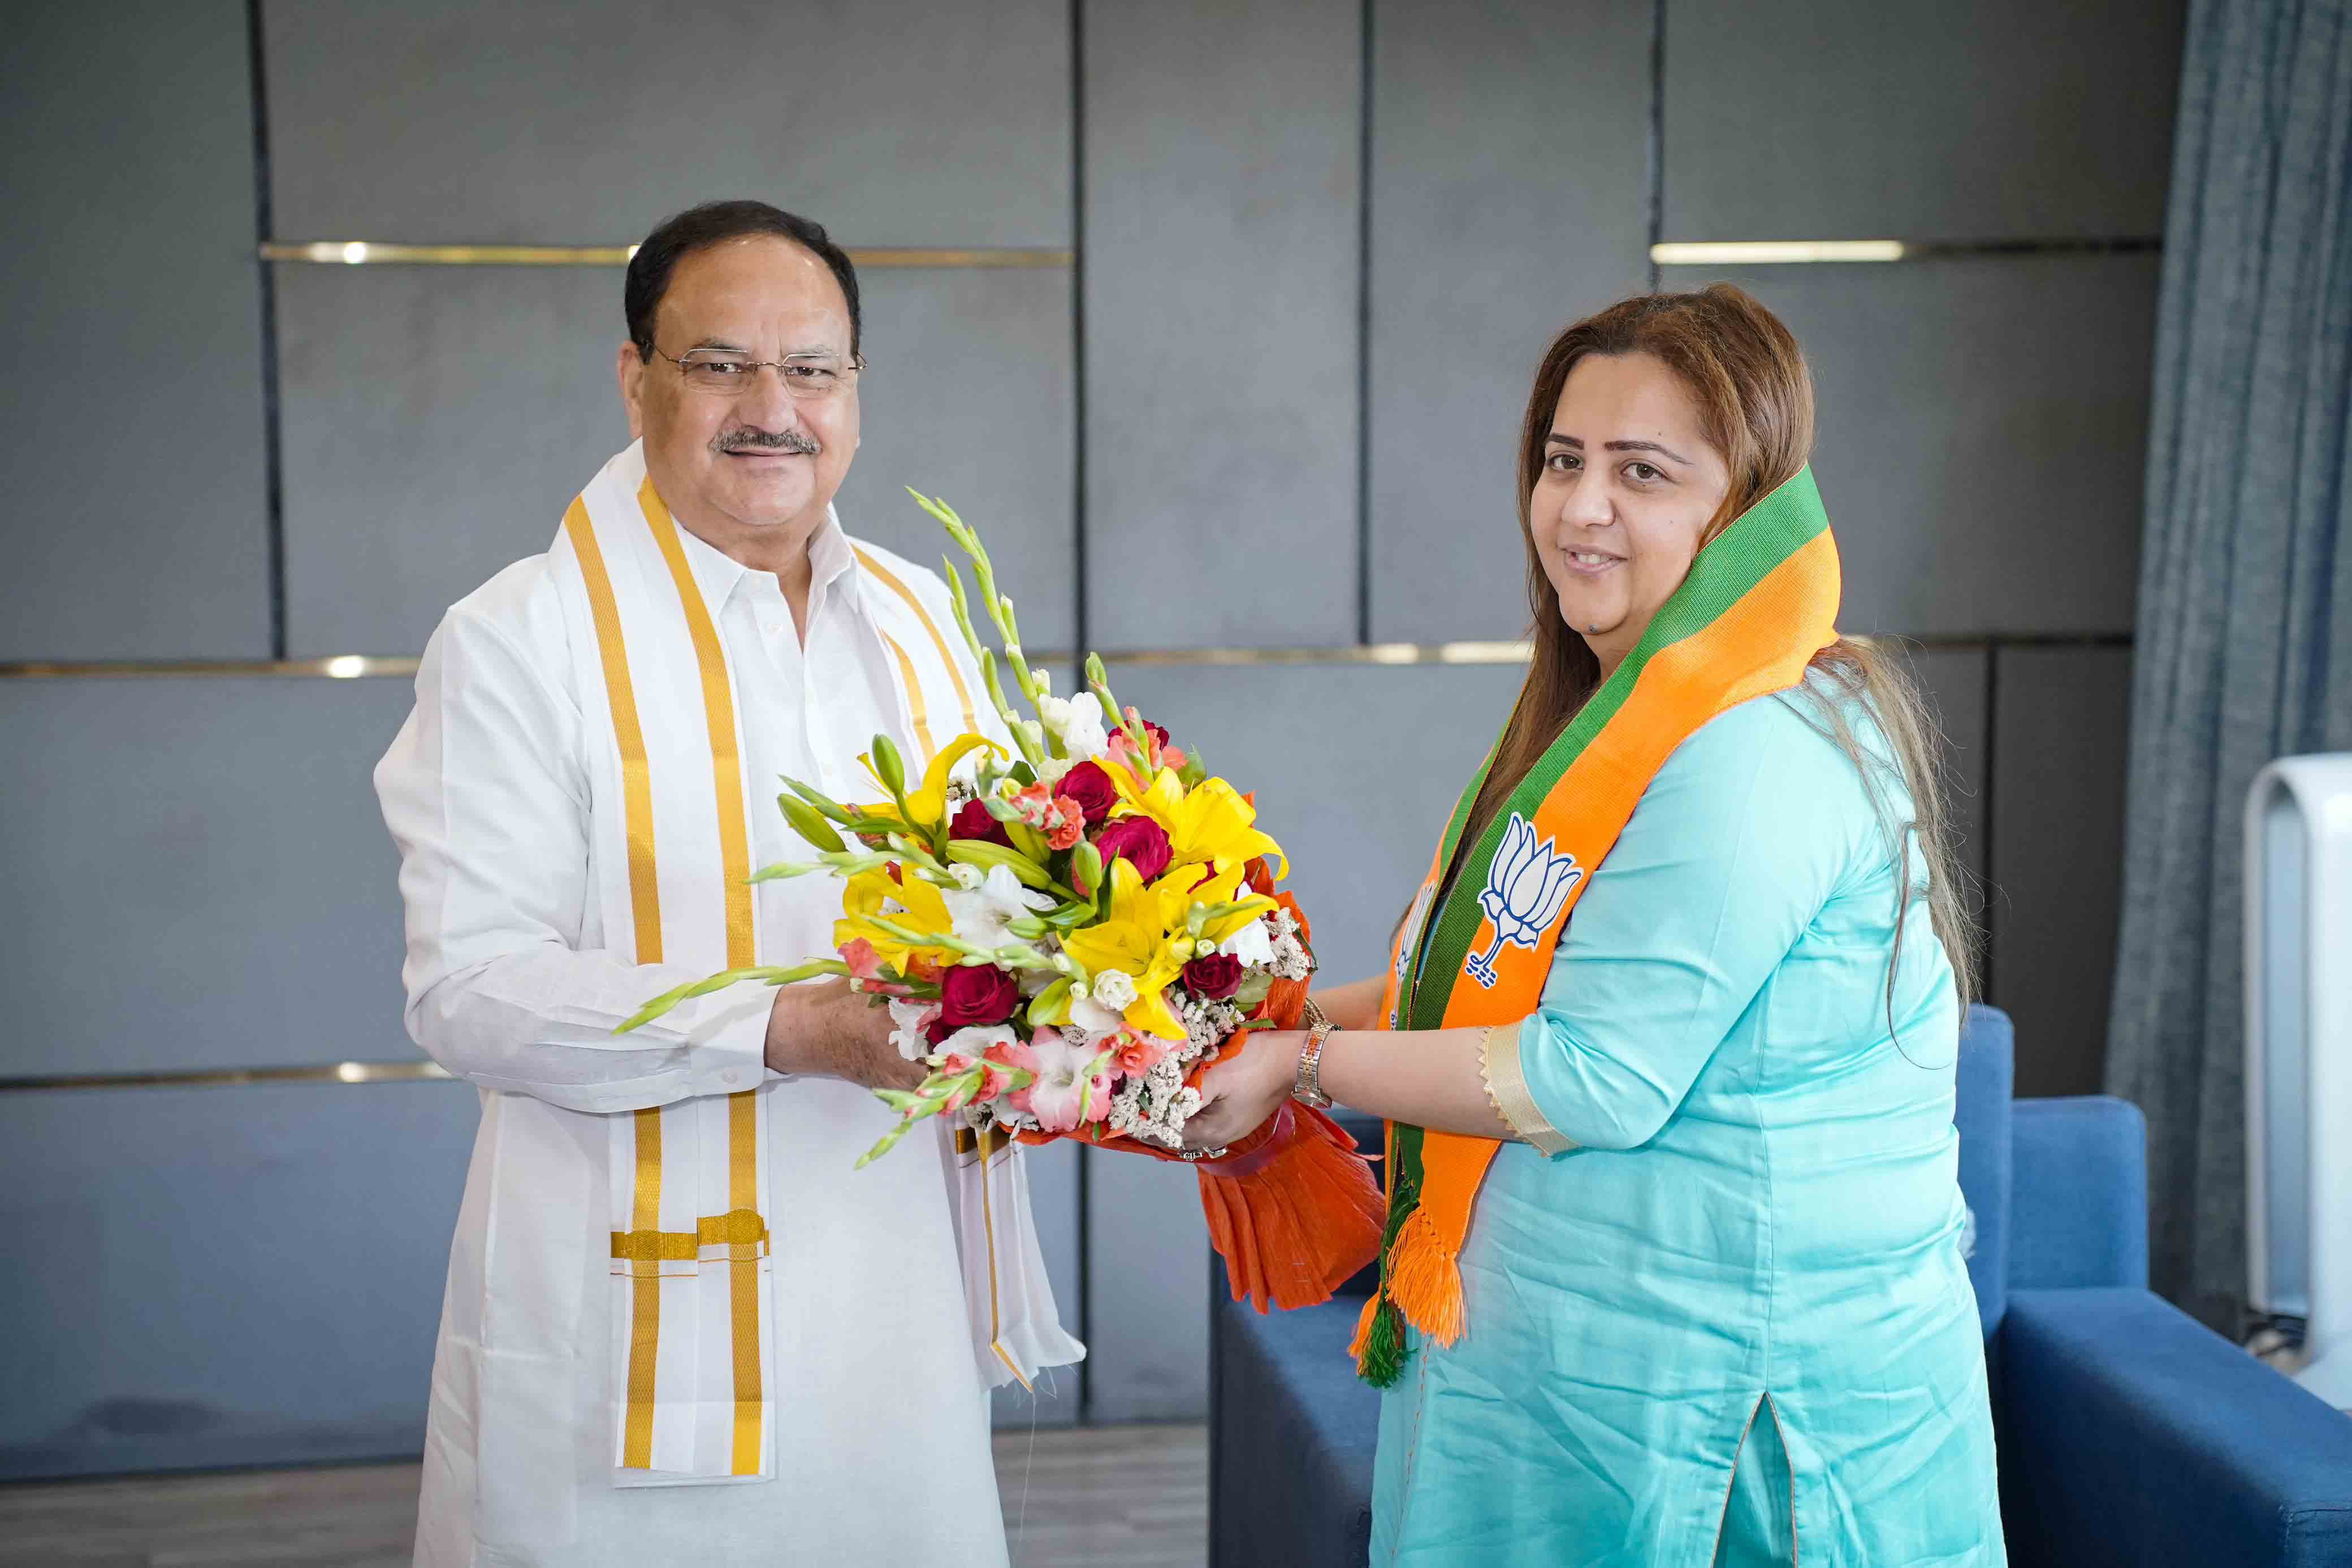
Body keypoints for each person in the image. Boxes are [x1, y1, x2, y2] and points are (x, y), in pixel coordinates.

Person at [1188, 285, 2006, 1566]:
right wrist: (1262, 1011)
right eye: (1564, 461)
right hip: (1575, 1380)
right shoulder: (1624, 718)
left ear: (1741, 511)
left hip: (1721, 1420)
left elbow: (1596, 1072)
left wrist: (1296, 1065)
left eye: (1643, 472)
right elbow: (1459, 983)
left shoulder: (1760, 747)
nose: (1580, 508)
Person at [375, 200, 1079, 1567]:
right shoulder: (521, 640)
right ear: (635, 376)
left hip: (902, 1299)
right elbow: (466, 990)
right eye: (720, 366)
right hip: (639, 1326)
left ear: (855, 391)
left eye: (812, 369)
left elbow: (1009, 895)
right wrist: (789, 1027)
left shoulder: (920, 611)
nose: (774, 409)